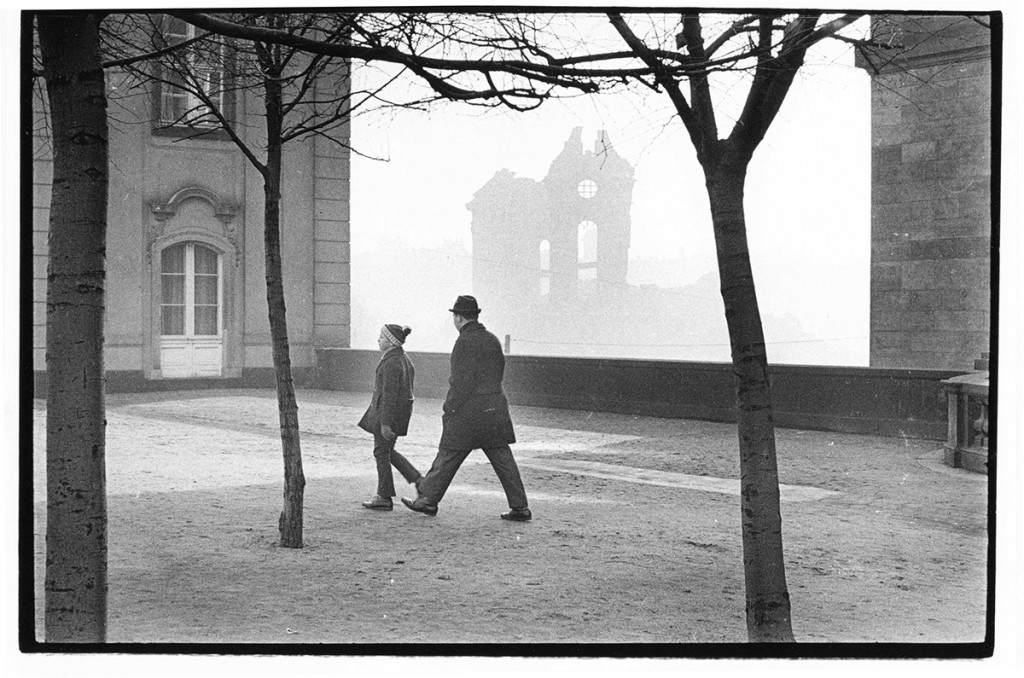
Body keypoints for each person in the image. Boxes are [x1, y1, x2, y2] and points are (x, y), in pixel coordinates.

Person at [401, 295, 532, 522]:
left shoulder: (463, 342)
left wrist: (450, 407)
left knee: (449, 454)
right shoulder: (492, 339)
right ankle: (520, 507)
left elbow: (461, 382)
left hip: (470, 411)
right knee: (504, 460)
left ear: (459, 318)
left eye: (454, 316)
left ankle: (428, 500)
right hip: (495, 407)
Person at [357, 324, 422, 511]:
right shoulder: (403, 359)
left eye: (382, 337)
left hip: (386, 416)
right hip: (398, 416)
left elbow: (389, 395)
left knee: (381, 452)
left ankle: (384, 496)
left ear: (392, 342)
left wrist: (385, 423)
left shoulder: (391, 362)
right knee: (388, 452)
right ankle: (419, 481)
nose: (379, 340)